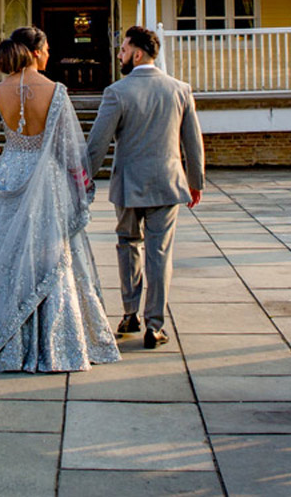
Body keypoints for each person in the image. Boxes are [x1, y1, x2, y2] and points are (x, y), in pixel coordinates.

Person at [0, 26, 120, 372]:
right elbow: (68, 149)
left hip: (7, 175)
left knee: (2, 257)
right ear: (35, 51)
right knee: (47, 254)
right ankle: (53, 340)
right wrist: (81, 181)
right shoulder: (57, 91)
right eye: (47, 47)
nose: (49, 53)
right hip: (44, 178)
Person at [84, 25, 205, 349]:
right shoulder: (179, 89)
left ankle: (129, 314)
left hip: (128, 184)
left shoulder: (117, 92)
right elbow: (193, 142)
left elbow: (98, 143)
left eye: (123, 49)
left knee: (128, 246)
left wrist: (84, 177)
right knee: (160, 254)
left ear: (138, 53)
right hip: (167, 183)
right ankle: (155, 325)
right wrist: (196, 182)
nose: (120, 54)